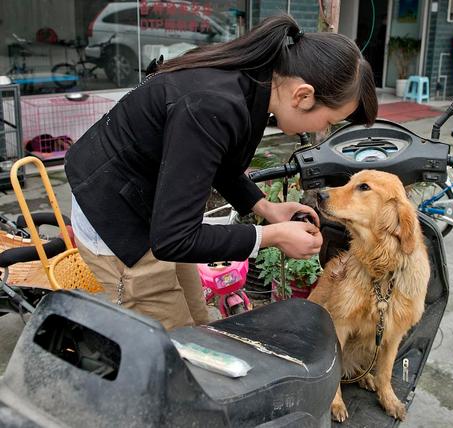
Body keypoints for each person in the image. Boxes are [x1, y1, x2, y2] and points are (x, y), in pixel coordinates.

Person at [64, 14, 378, 330]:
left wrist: (265, 207)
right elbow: (174, 240)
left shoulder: (254, 82)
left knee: (199, 322)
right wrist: (272, 236)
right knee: (171, 345)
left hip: (154, 206)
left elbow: (217, 160)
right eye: (329, 121)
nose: (323, 129)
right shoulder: (212, 103)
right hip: (115, 218)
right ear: (303, 96)